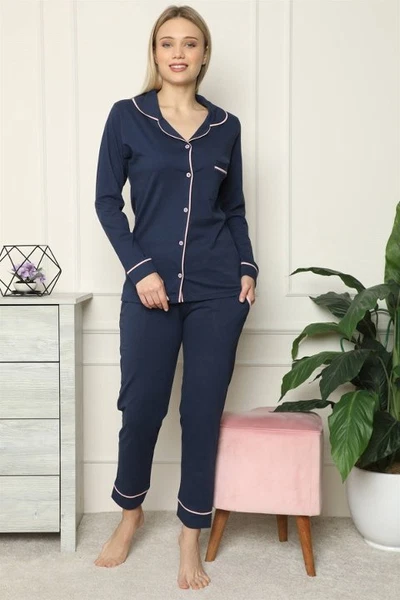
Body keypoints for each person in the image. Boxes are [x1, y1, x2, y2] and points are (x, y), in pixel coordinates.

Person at [93, 4, 259, 590]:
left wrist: (247, 266)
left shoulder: (226, 127)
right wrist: (140, 269)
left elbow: (233, 209)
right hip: (150, 289)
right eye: (168, 43)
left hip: (219, 289)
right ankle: (130, 515)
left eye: (190, 43)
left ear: (204, 54)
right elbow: (107, 202)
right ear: (155, 52)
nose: (179, 53)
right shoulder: (127, 117)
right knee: (141, 406)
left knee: (201, 413)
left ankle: (191, 535)